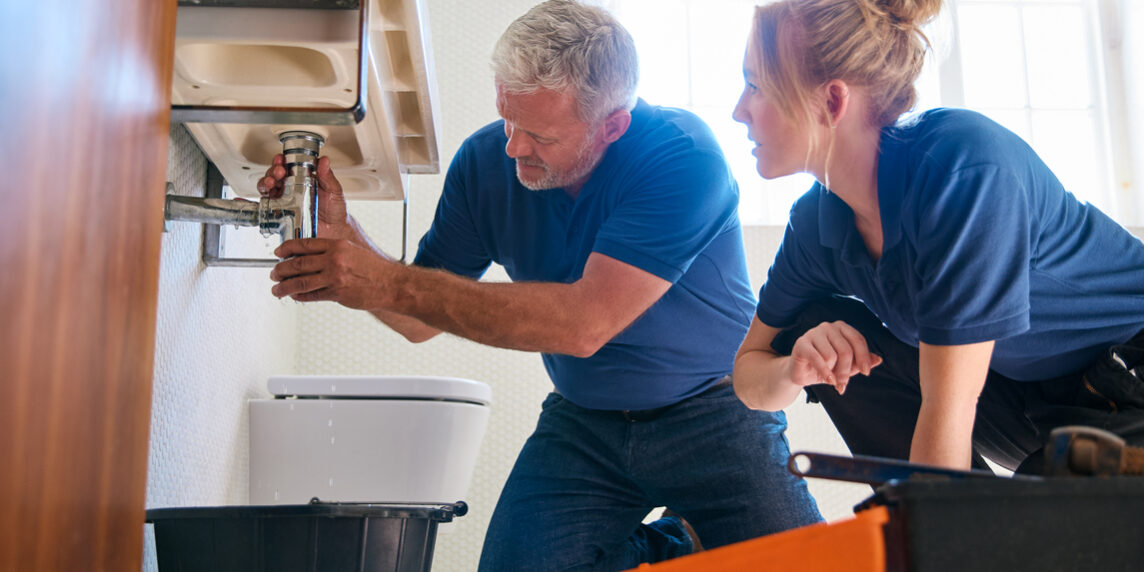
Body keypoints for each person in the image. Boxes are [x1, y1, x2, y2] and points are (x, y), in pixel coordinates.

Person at [260, 1, 822, 568]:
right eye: (508, 119)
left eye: (539, 136)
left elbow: (582, 326)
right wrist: (344, 237)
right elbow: (414, 317)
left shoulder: (682, 157)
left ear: (613, 126)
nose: (513, 147)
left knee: (814, 566)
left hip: (714, 413)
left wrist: (385, 282)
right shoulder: (485, 163)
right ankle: (676, 543)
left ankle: (688, 539)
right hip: (585, 423)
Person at [731, 0, 1144, 477]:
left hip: (1127, 380)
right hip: (1031, 402)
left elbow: (951, 406)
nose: (740, 111)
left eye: (755, 85)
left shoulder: (964, 171)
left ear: (831, 101)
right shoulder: (814, 225)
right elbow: (746, 371)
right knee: (816, 323)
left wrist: (940, 536)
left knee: (1033, 521)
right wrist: (794, 368)